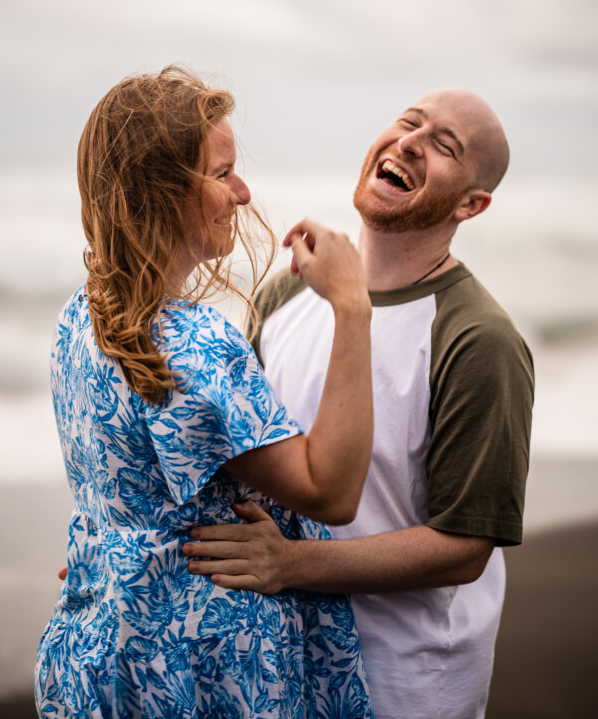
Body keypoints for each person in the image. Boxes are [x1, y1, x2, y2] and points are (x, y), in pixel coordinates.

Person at [182, 88, 535, 719]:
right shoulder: (288, 292)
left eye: (444, 146)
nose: (411, 143)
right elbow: (236, 457)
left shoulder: (477, 338)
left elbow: (466, 544)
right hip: (279, 658)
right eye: (409, 123)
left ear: (472, 204)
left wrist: (292, 563)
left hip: (406, 680)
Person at [35, 66, 375, 718]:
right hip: (208, 668)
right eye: (221, 174)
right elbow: (332, 491)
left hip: (109, 646)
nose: (243, 193)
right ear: (164, 194)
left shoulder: (79, 316)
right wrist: (352, 305)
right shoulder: (195, 346)